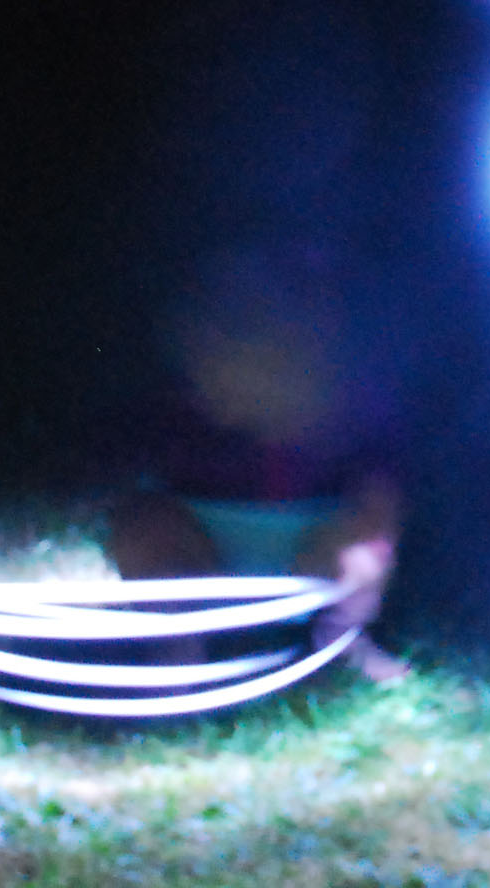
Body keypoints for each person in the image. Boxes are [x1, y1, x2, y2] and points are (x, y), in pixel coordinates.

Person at [108, 240, 410, 682]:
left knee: (375, 514)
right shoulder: (186, 398)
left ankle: (341, 636)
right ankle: (178, 647)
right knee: (144, 521)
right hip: (205, 538)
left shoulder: (338, 394)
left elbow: (376, 471)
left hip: (312, 542)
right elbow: (137, 476)